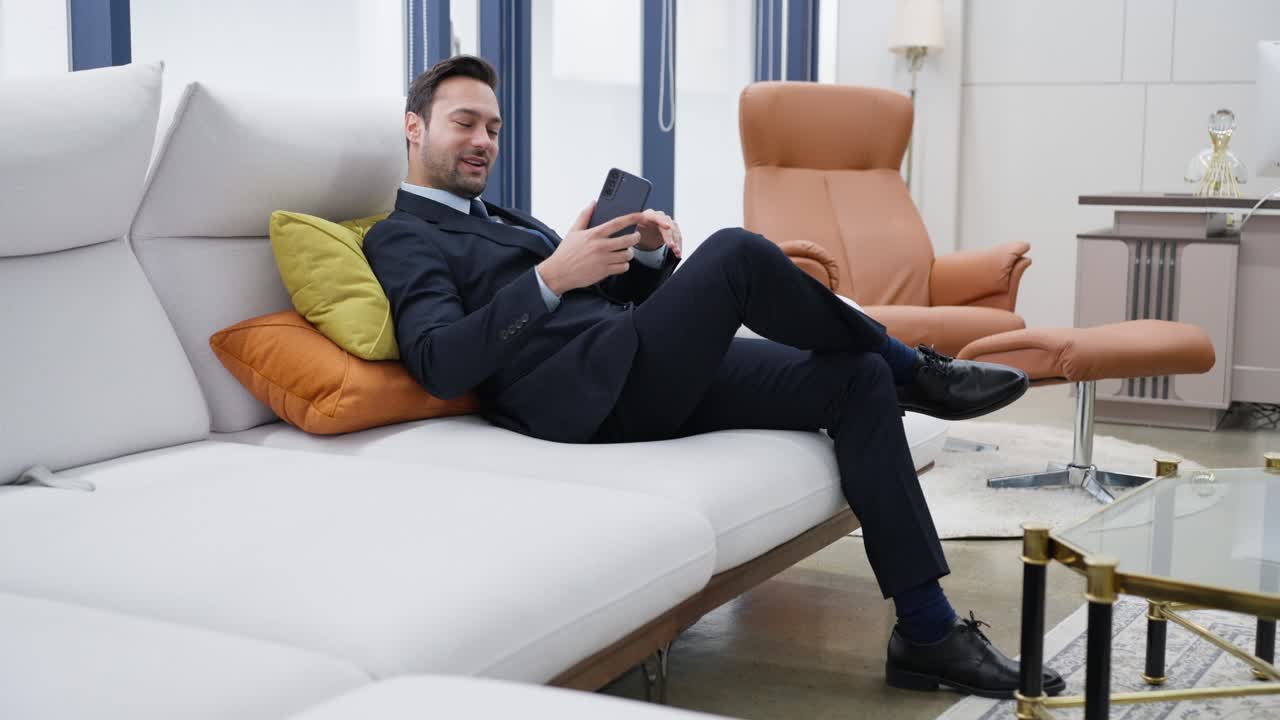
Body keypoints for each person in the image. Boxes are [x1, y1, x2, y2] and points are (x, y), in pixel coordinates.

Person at [364, 55, 1064, 700]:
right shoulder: (402, 235)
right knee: (734, 252)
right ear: (414, 126)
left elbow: (605, 303)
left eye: (492, 126)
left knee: (854, 377)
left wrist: (635, 258)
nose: (483, 139)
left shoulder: (510, 219)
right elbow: (437, 360)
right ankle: (918, 368)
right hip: (580, 400)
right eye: (464, 123)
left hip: (626, 359)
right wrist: (551, 275)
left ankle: (927, 632)